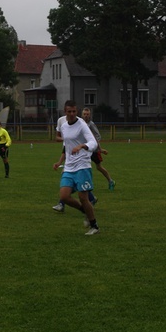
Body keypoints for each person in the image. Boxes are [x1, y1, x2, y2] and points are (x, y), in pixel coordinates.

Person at [55, 100, 100, 235]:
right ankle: (84, 211)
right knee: (64, 196)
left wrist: (82, 146)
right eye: (69, 111)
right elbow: (66, 145)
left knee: (83, 197)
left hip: (82, 165)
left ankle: (95, 226)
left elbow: (93, 143)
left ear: (77, 111)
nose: (72, 114)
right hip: (69, 166)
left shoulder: (82, 125)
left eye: (74, 111)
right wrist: (60, 161)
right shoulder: (63, 126)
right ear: (65, 112)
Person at [81, 107, 116, 190]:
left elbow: (98, 136)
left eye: (87, 114)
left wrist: (98, 148)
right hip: (84, 149)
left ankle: (111, 181)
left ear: (90, 115)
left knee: (99, 167)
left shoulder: (91, 124)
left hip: (93, 150)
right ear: (82, 115)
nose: (86, 116)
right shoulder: (80, 123)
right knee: (82, 166)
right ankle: (83, 185)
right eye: (84, 114)